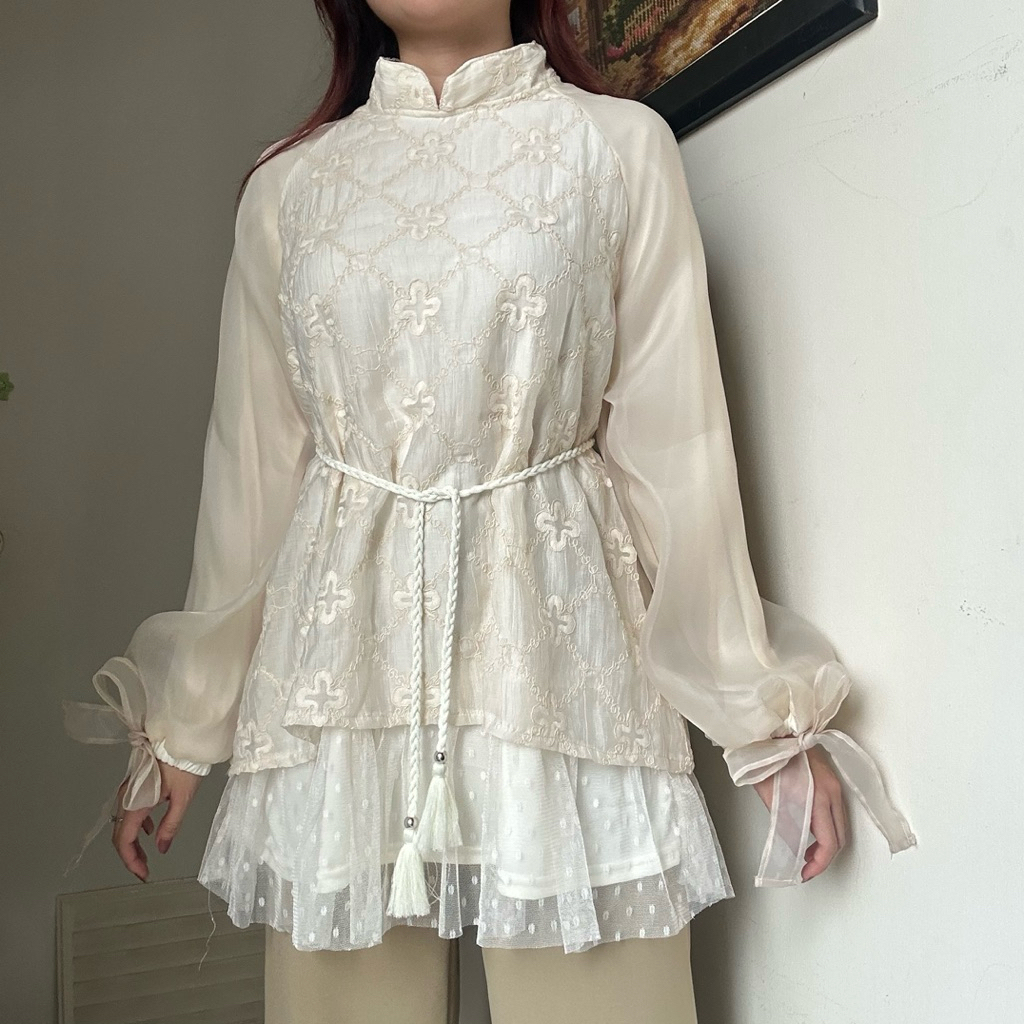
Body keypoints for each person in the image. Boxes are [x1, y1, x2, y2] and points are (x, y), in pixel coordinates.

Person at [62, 2, 918, 1021]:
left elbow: (675, 454)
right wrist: (181, 726)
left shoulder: (615, 148)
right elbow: (251, 479)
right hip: (340, 686)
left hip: (557, 661)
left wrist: (761, 722)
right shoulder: (289, 188)